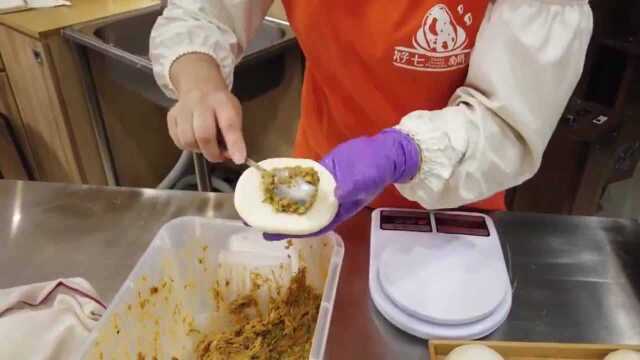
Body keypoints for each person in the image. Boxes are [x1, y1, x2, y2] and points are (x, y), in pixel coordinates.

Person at [150, 0, 593, 237]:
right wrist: (198, 78)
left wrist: (404, 152)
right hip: (322, 179)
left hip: (458, 194)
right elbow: (203, 11)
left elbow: (507, 120)